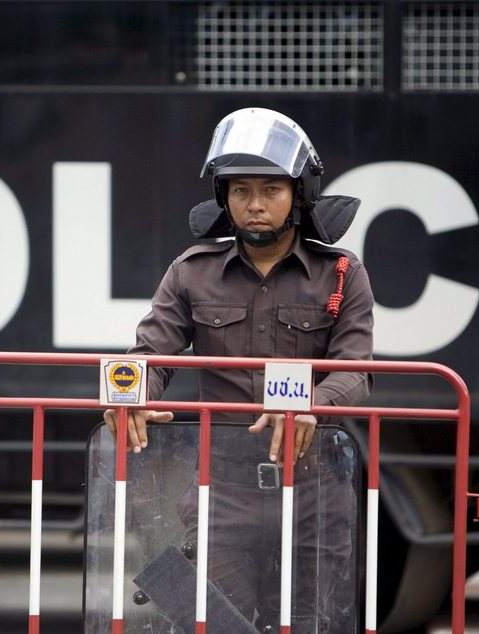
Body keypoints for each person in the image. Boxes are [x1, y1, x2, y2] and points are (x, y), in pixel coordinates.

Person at [102, 107, 374, 632]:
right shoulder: (190, 272)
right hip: (220, 494)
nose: (255, 205)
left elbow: (355, 371)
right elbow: (150, 353)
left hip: (315, 491)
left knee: (305, 625)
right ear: (222, 198)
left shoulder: (343, 274)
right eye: (240, 190)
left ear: (299, 193)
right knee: (215, 626)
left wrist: (312, 407)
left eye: (271, 190)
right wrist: (130, 392)